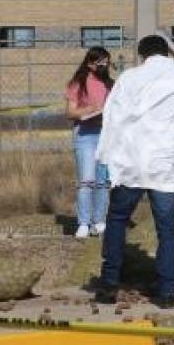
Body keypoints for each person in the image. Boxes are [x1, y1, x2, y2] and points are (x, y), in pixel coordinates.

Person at [95, 35, 174, 307]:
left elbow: (111, 118)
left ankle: (109, 284)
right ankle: (167, 293)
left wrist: (106, 156)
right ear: (167, 54)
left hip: (131, 162)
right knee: (166, 229)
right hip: (164, 163)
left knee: (117, 220)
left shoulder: (128, 79)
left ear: (142, 55)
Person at [65, 47, 114, 239]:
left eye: (106, 62)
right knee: (87, 180)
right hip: (85, 134)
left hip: (107, 135)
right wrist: (90, 109)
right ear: (90, 63)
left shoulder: (111, 84)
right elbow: (70, 112)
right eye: (100, 62)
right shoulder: (78, 83)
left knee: (103, 182)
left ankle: (99, 221)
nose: (104, 66)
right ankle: (83, 223)